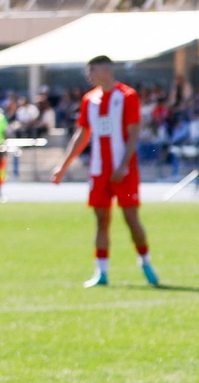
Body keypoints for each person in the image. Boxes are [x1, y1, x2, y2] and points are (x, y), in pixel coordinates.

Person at [49, 56, 158, 288]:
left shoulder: (127, 95)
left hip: (124, 171)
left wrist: (123, 165)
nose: (89, 75)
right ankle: (101, 273)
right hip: (98, 171)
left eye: (92, 70)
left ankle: (145, 261)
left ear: (106, 70)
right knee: (101, 220)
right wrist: (64, 165)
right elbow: (82, 134)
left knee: (131, 218)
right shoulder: (90, 99)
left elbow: (134, 131)